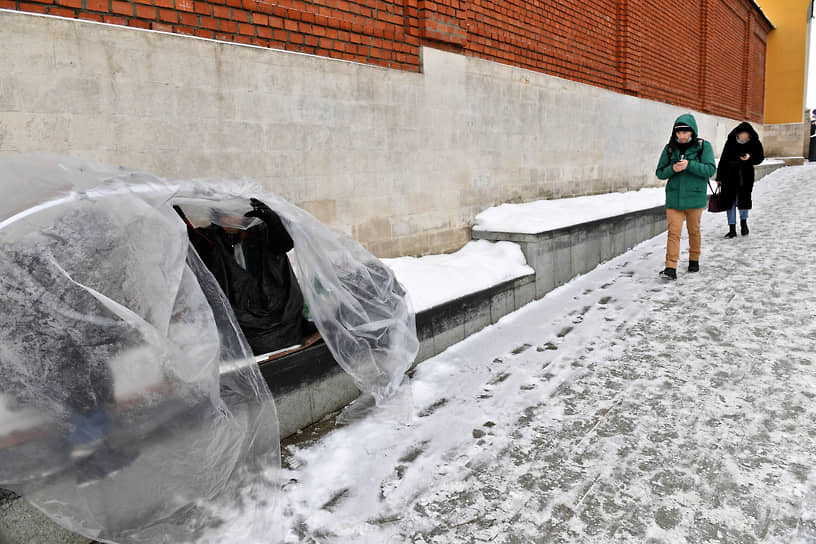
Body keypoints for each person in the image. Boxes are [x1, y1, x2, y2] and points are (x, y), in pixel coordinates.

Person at [177, 198, 312, 356]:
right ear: (217, 218)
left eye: (235, 216)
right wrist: (175, 211)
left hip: (277, 311)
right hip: (239, 315)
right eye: (225, 217)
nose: (231, 221)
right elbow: (190, 238)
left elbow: (283, 244)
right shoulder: (211, 239)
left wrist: (273, 220)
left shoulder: (260, 233)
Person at [655, 113, 717, 280]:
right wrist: (672, 170)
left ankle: (694, 259)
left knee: (693, 231)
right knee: (673, 233)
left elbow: (710, 169)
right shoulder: (669, 148)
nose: (682, 136)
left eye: (685, 132)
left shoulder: (704, 147)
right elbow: (660, 172)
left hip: (695, 197)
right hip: (674, 198)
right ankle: (670, 267)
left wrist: (690, 165)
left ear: (692, 131)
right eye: (679, 132)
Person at [716, 122, 764, 238]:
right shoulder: (730, 142)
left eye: (746, 135)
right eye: (741, 135)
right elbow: (723, 160)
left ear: (749, 135)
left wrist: (749, 157)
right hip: (729, 176)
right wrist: (719, 177)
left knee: (743, 201)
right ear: (737, 134)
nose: (743, 137)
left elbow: (760, 158)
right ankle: (732, 228)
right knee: (729, 202)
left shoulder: (755, 143)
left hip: (745, 176)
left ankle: (744, 223)